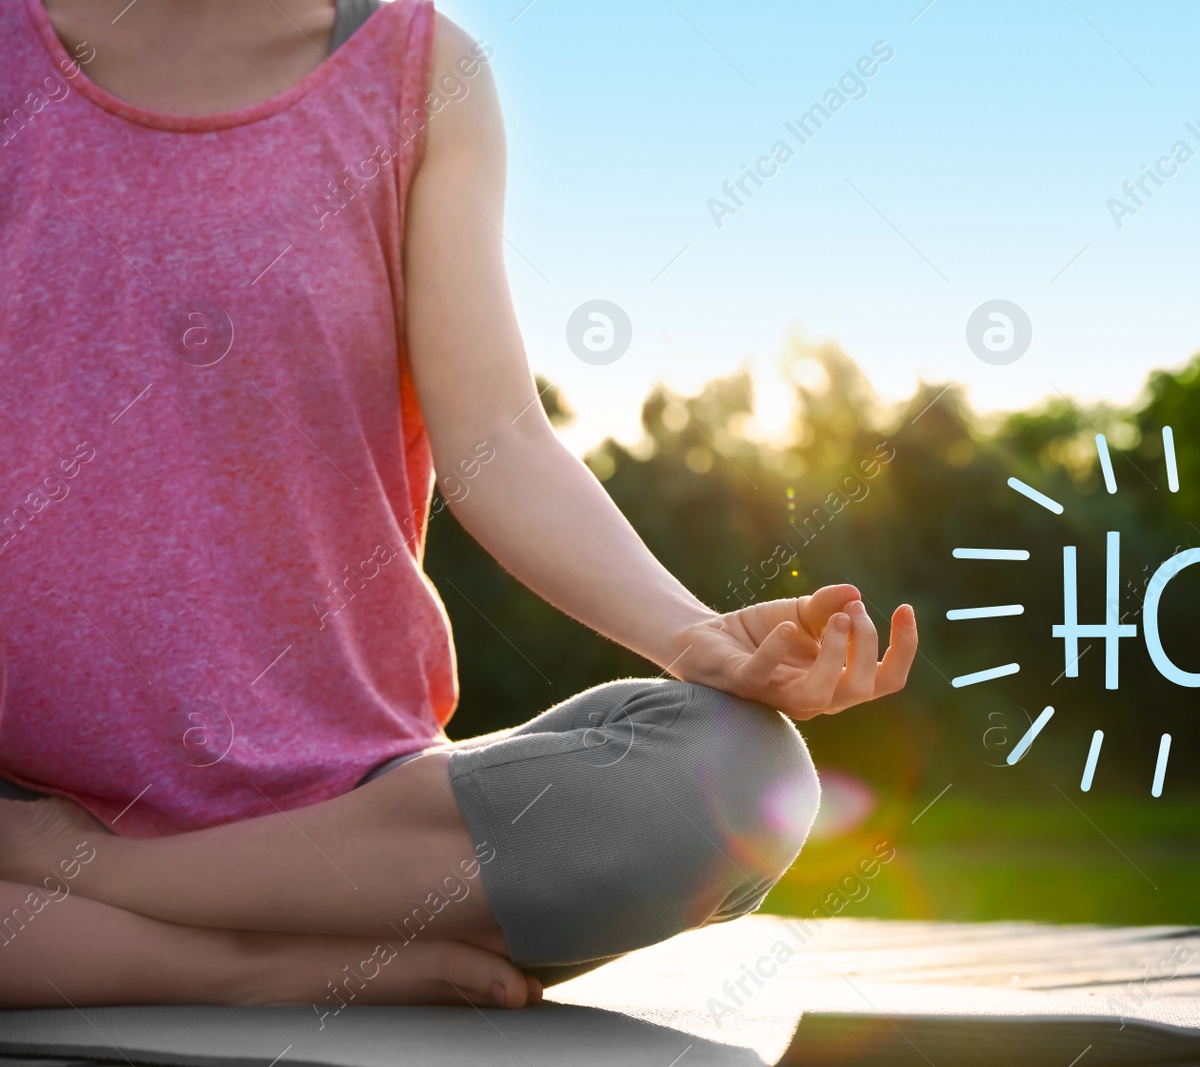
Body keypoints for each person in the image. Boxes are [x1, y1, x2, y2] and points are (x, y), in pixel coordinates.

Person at [0, 0, 917, 1010]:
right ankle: (251, 965)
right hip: (18, 794)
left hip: (347, 817)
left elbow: (495, 441)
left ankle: (99, 890)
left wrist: (694, 636)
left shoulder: (424, 74)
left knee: (733, 780)